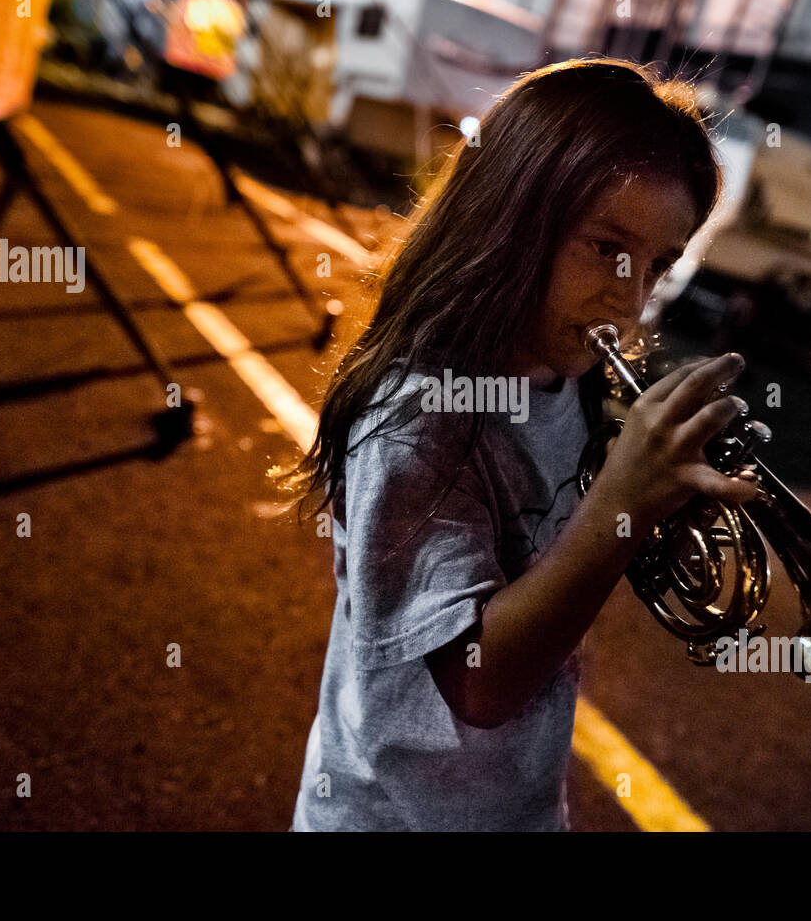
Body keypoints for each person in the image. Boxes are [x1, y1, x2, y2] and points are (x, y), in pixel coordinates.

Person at [287, 58, 760, 831]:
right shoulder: (419, 420)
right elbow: (479, 686)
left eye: (659, 264)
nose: (631, 295)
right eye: (606, 246)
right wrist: (623, 507)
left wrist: (662, 500)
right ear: (507, 222)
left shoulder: (567, 383)